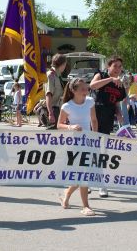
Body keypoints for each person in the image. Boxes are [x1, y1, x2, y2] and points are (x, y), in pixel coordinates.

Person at [57, 78, 98, 216]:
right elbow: (59, 125)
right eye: (82, 89)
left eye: (87, 88)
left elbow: (93, 120)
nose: (86, 91)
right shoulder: (67, 106)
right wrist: (71, 126)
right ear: (73, 90)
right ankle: (85, 206)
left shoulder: (90, 102)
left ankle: (67, 194)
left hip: (88, 142)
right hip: (74, 144)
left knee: (83, 174)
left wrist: (95, 137)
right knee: (84, 173)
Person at [90, 56, 126, 197]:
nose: (118, 69)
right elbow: (92, 86)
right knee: (91, 149)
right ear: (108, 67)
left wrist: (119, 114)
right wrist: (111, 79)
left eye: (120, 66)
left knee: (103, 151)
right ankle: (88, 181)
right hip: (95, 115)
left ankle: (100, 183)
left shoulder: (120, 84)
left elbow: (116, 102)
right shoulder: (102, 75)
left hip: (108, 117)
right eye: (115, 66)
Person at [45, 54, 67, 129]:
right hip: (52, 110)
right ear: (62, 64)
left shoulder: (58, 75)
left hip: (57, 109)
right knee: (52, 137)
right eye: (65, 64)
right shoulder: (51, 75)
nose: (65, 66)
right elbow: (48, 95)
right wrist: (50, 113)